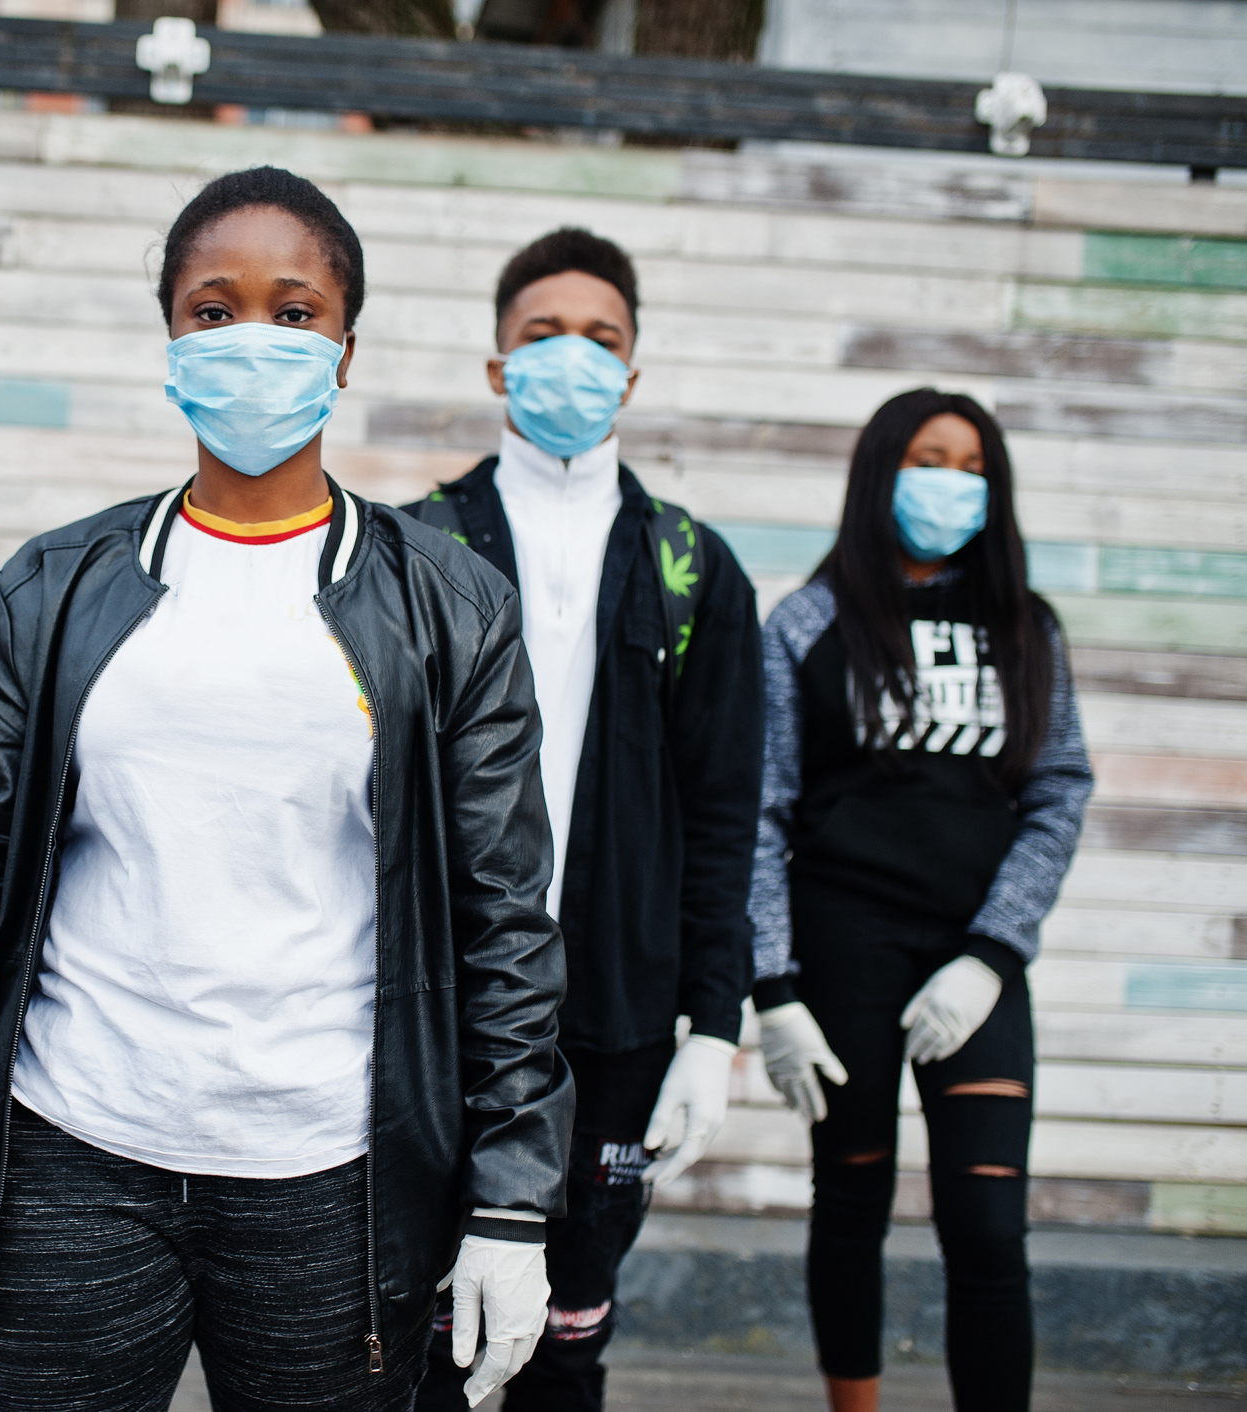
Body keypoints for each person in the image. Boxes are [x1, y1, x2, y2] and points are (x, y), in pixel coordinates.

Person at [0, 165, 572, 1412]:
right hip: (74, 1153)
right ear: (170, 339)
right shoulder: (59, 586)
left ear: (345, 350)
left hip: (329, 1181)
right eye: (211, 307)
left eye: (293, 313)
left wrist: (512, 1197)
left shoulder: (449, 606)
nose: (252, 341)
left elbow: (504, 912)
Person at [405, 228, 763, 1412]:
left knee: (567, 1334)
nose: (571, 357)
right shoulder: (413, 548)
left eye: (598, 339)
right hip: (443, 1002)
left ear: (633, 372)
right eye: (541, 334)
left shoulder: (691, 570)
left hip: (614, 1012)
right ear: (497, 365)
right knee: (425, 1330)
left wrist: (713, 1024)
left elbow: (724, 815)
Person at [749, 389, 1091, 1412]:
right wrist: (770, 985)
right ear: (878, 472)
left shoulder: (1024, 627)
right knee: (850, 1200)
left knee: (987, 1222)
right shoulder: (807, 623)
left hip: (973, 964)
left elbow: (1058, 788)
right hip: (841, 948)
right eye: (927, 459)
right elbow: (759, 808)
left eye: (972, 466)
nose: (950, 482)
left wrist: (993, 950)